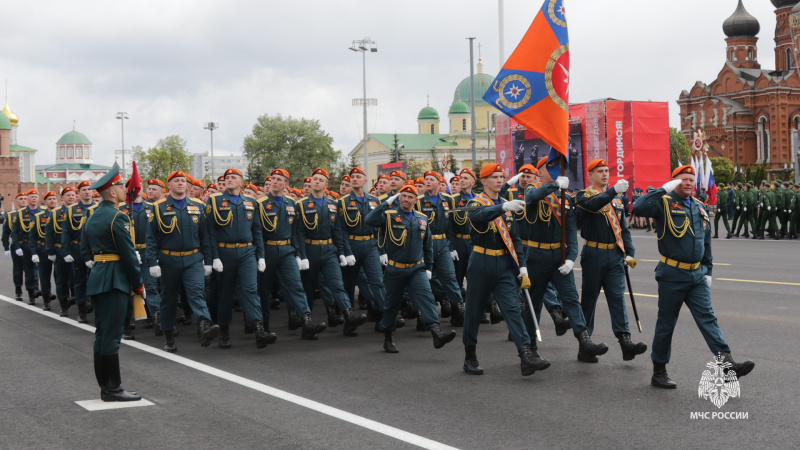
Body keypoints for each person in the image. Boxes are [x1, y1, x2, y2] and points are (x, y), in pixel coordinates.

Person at [633, 165, 755, 388]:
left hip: (697, 275)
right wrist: (663, 189)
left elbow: (705, 242)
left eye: (691, 179)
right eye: (683, 179)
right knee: (666, 324)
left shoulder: (699, 207)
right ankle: (659, 371)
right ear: (674, 182)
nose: (688, 183)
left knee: (708, 318)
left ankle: (727, 365)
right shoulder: (663, 203)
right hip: (672, 274)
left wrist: (708, 270)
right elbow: (638, 207)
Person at [461, 163, 548, 376]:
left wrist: (523, 265)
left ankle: (525, 354)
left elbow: (515, 238)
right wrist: (501, 208)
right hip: (481, 261)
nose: (500, 180)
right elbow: (478, 217)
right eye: (494, 177)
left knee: (513, 309)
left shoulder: (507, 204)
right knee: (473, 311)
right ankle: (470, 355)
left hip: (504, 265)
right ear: (483, 182)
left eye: (501, 176)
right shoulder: (476, 202)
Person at [523, 157, 609, 363]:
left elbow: (571, 232)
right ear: (540, 172)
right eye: (549, 168)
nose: (554, 171)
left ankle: (585, 340)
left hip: (559, 256)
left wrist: (571, 258)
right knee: (533, 304)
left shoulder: (565, 198)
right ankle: (531, 347)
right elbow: (532, 197)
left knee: (571, 299)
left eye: (556, 168)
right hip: (536, 256)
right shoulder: (532, 190)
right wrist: (554, 185)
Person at [364, 184, 456, 353]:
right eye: (403, 196)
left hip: (416, 269)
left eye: (410, 197)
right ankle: (388, 338)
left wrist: (428, 267)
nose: (405, 199)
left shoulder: (421, 218)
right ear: (399, 198)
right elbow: (369, 220)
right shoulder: (390, 216)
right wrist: (385, 204)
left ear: (415, 200)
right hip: (395, 269)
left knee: (427, 298)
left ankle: (436, 332)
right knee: (391, 305)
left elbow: (428, 245)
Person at [79, 164, 144, 402]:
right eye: (119, 185)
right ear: (112, 191)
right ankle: (112, 389)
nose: (122, 188)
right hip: (115, 279)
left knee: (102, 334)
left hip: (99, 277)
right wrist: (138, 284)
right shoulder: (118, 217)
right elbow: (127, 255)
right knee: (112, 336)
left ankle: (107, 388)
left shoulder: (94, 215)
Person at [576, 160, 647, 361]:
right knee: (589, 300)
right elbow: (593, 205)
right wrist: (613, 191)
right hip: (594, 254)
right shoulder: (584, 196)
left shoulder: (616, 201)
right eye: (600, 171)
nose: (605, 174)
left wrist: (630, 252)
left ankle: (626, 342)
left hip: (615, 255)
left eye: (607, 171)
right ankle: (585, 345)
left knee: (617, 298)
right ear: (590, 174)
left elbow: (624, 230)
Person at [147, 170, 220, 352]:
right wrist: (152, 262)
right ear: (169, 185)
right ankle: (168, 336)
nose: (181, 183)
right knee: (169, 299)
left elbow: (206, 236)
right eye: (176, 181)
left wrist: (208, 261)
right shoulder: (158, 207)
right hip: (168, 259)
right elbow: (151, 238)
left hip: (193, 258)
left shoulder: (199, 206)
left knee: (197, 293)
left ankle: (204, 326)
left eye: (183, 181)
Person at [256, 168, 327, 340]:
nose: (275, 182)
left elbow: (295, 231)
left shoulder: (291, 204)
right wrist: (260, 255)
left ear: (285, 184)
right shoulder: (261, 203)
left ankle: (307, 320)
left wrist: (298, 254)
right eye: (273, 179)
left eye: (279, 180)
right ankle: (263, 327)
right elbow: (257, 231)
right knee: (264, 291)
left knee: (296, 286)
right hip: (268, 250)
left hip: (287, 250)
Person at [206, 168, 273, 348]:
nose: (229, 180)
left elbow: (257, 230)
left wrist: (261, 256)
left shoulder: (251, 202)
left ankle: (259, 330)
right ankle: (224, 332)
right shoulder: (215, 200)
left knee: (250, 290)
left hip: (247, 252)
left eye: (233, 177)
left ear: (241, 182)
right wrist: (214, 257)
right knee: (225, 294)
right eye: (227, 177)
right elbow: (210, 231)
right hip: (224, 253)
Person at [296, 168, 367, 336]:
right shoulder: (301, 205)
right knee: (308, 288)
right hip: (310, 249)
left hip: (329, 250)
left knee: (337, 285)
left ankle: (349, 316)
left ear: (326, 185)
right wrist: (302, 255)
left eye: (321, 180)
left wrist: (342, 252)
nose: (317, 182)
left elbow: (339, 231)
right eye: (315, 179)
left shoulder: (333, 205)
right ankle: (307, 324)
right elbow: (298, 233)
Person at [340, 167, 389, 329]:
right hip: (352, 245)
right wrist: (346, 251)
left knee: (377, 282)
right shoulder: (343, 202)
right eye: (352, 177)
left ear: (365, 180)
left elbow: (380, 228)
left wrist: (381, 251)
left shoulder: (374, 201)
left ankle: (383, 317)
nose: (354, 179)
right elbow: (341, 230)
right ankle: (350, 321)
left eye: (358, 177)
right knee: (349, 283)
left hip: (370, 245)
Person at [416, 170, 465, 326]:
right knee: (425, 279)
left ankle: (458, 309)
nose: (428, 182)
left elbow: (451, 225)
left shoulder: (448, 200)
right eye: (426, 179)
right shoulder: (419, 201)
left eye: (431, 179)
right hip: (425, 244)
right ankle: (424, 315)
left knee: (449, 276)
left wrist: (452, 246)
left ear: (439, 182)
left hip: (443, 243)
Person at [62, 181, 99, 323]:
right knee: (79, 280)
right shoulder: (71, 210)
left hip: (94, 249)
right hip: (77, 249)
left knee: (95, 279)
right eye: (83, 190)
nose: (87, 192)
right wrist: (65, 251)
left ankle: (96, 308)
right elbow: (66, 232)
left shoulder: (98, 208)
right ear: (79, 193)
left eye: (89, 189)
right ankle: (81, 310)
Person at [47, 187, 77, 316]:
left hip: (76, 248)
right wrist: (50, 251)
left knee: (79, 277)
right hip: (60, 250)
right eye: (68, 195)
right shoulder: (55, 213)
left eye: (73, 195)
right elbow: (48, 233)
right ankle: (63, 305)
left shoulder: (80, 211)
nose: (71, 197)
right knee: (62, 278)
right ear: (62, 198)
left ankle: (80, 301)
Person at [11, 189, 42, 305]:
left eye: (36, 196)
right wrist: (17, 246)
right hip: (26, 244)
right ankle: (31, 293)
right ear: (28, 199)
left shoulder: (43, 212)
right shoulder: (20, 213)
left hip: (39, 244)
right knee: (28, 269)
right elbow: (14, 232)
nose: (34, 199)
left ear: (38, 199)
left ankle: (40, 291)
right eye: (31, 197)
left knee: (40, 269)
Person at [30, 191, 58, 310]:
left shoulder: (61, 214)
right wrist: (34, 252)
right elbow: (32, 236)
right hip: (43, 248)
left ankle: (64, 298)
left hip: (58, 248)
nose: (52, 200)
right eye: (49, 199)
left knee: (61, 276)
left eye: (54, 198)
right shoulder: (39, 217)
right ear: (45, 202)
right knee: (44, 275)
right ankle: (46, 299)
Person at [3, 193, 28, 301]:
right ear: (16, 202)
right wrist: (6, 248)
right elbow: (5, 233)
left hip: (29, 245)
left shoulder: (33, 214)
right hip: (17, 245)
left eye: (25, 199)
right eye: (21, 199)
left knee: (32, 268)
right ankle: (18, 290)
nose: (23, 200)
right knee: (18, 269)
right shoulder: (11, 215)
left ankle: (34, 289)